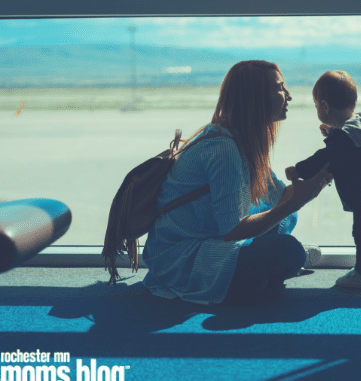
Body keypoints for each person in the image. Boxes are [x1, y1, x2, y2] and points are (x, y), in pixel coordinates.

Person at [141, 60, 333, 305]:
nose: (289, 96)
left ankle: (258, 279)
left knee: (287, 219)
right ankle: (261, 275)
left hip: (212, 239)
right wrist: (294, 202)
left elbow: (281, 196)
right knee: (289, 250)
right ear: (255, 97)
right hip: (182, 256)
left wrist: (323, 172)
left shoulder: (241, 140)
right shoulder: (223, 149)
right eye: (280, 88)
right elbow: (232, 231)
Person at [285, 70, 361, 289]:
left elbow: (323, 158)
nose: (317, 108)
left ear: (325, 107)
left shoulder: (341, 137)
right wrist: (334, 134)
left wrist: (298, 170)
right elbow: (360, 149)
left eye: (316, 105)